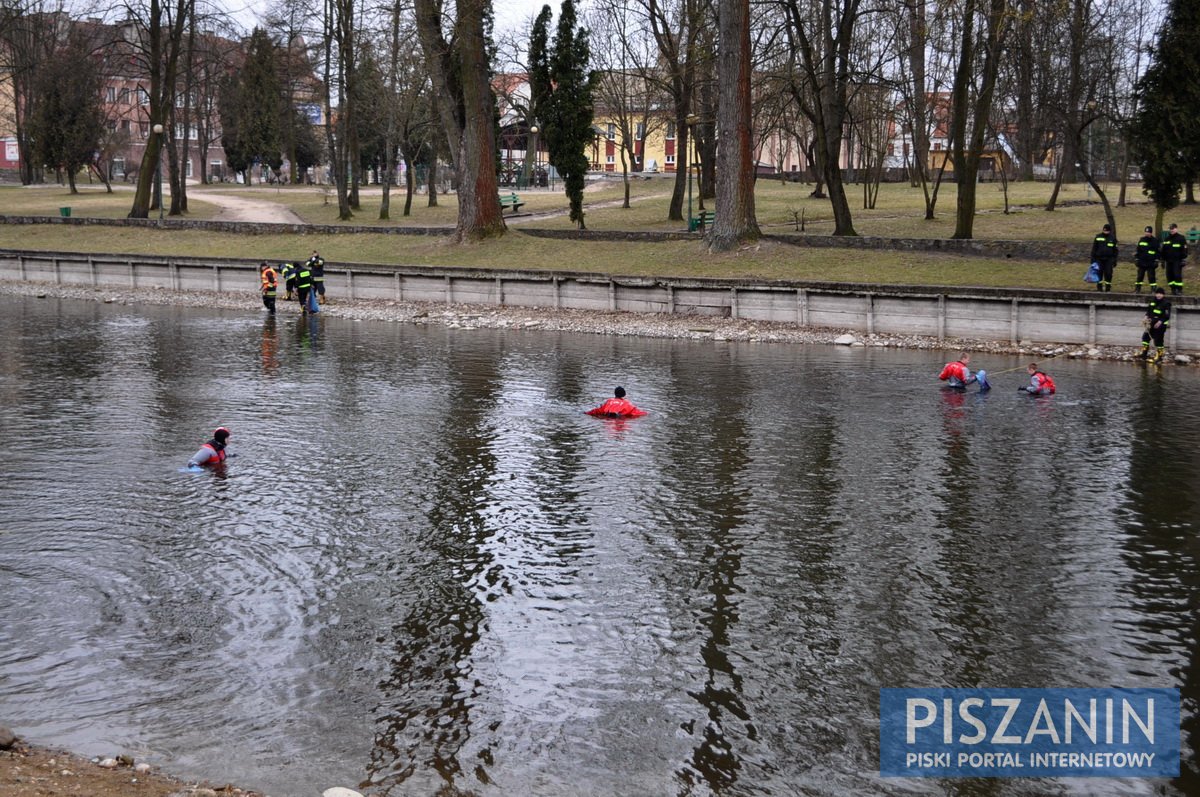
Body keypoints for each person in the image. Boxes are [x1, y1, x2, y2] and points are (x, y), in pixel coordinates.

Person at [1140, 286, 1171, 363]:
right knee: (1145, 338)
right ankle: (1144, 353)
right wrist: (1145, 317)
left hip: (1160, 325)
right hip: (1150, 324)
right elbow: (1148, 311)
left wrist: (1160, 322)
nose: (1158, 295)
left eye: (1160, 294)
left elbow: (1167, 316)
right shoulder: (1152, 301)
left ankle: (1159, 357)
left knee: (1158, 341)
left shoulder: (1166, 303)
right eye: (1157, 293)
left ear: (1163, 295)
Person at [1090, 223, 1118, 292]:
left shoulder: (1113, 238)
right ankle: (1099, 288)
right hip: (1099, 258)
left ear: (1109, 231)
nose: (1105, 232)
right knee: (1099, 273)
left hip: (1109, 259)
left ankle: (1108, 288)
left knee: (1108, 273)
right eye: (1104, 231)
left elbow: (1115, 251)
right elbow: (1094, 249)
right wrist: (1093, 259)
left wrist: (1114, 260)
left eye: (1107, 231)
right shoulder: (1098, 237)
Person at [1161, 222, 1188, 295]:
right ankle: (1173, 289)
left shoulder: (1181, 238)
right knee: (1169, 276)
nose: (1171, 230)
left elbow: (1185, 250)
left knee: (1177, 275)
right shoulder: (1167, 239)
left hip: (1177, 260)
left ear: (1176, 229)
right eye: (1170, 229)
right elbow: (1163, 250)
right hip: (1168, 261)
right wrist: (1162, 260)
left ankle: (1179, 289)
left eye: (1173, 229)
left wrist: (1183, 259)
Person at [1134, 225, 1160, 293]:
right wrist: (1136, 259)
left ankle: (1153, 289)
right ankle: (1137, 289)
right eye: (1146, 232)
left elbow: (1158, 252)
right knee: (1140, 276)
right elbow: (1138, 250)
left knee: (1151, 277)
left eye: (1148, 232)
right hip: (1142, 261)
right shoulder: (1141, 240)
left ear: (1151, 233)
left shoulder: (1155, 241)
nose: (1147, 233)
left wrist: (1157, 260)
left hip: (1151, 262)